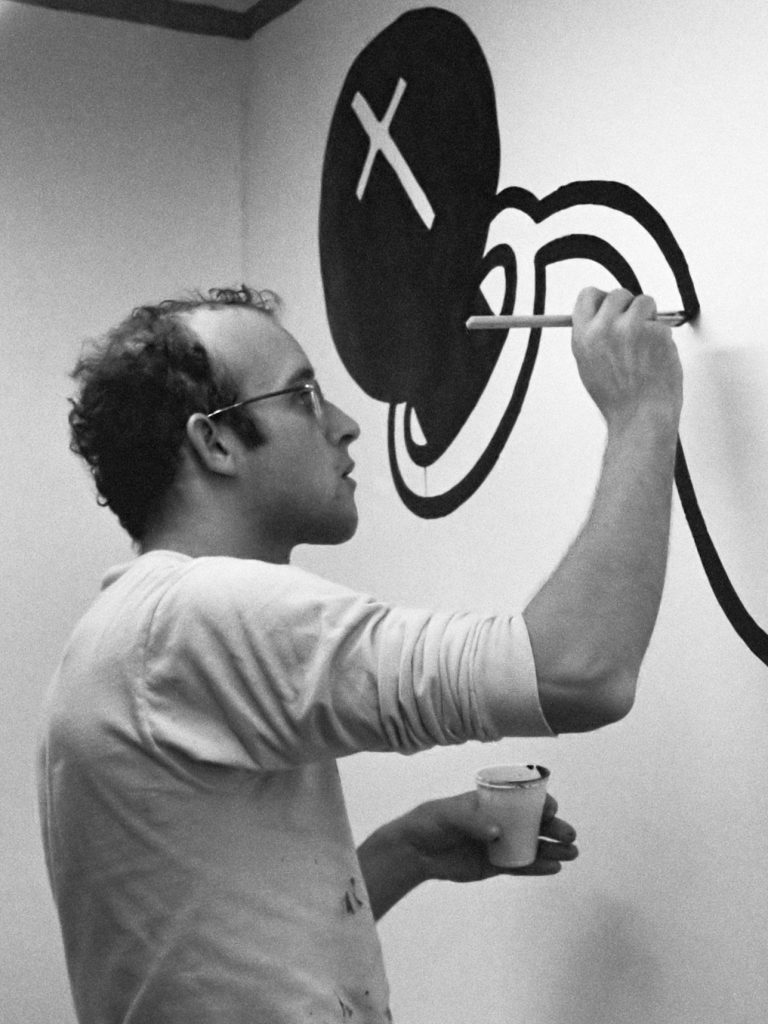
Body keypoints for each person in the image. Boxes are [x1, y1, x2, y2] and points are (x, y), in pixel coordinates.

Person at [37, 284, 682, 1024]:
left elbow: (212, 960)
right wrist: (642, 410)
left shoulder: (135, 630)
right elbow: (579, 673)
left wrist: (405, 852)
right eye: (304, 396)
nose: (345, 426)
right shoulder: (195, 616)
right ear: (213, 442)